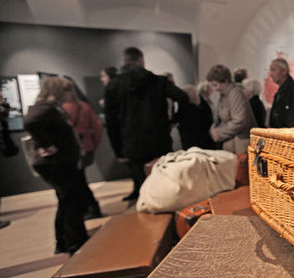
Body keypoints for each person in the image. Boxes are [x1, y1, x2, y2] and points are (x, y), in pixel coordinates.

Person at [105, 47, 190, 201]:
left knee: (144, 187)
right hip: (159, 139)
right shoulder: (158, 81)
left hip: (132, 142)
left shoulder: (114, 86)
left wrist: (118, 150)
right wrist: (174, 120)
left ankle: (151, 218)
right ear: (141, 60)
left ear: (125, 61)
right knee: (166, 182)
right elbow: (183, 97)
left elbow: (111, 121)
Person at [23, 77, 90, 254]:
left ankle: (64, 241)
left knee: (66, 201)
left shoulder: (49, 107)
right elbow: (31, 122)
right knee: (70, 201)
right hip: (56, 163)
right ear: (58, 90)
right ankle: (75, 242)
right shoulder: (44, 107)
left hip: (60, 162)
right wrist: (46, 144)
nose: (70, 93)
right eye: (67, 89)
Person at [61, 80, 104, 219]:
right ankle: (89, 207)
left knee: (78, 181)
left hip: (72, 150)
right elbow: (97, 127)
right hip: (86, 147)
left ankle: (89, 207)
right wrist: (93, 144)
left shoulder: (62, 109)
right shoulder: (84, 106)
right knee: (79, 179)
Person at [206, 64, 256, 153]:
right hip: (232, 142)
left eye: (215, 85)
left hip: (240, 143)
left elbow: (239, 121)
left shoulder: (235, 94)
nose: (214, 89)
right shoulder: (225, 95)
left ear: (225, 81)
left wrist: (219, 134)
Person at [269, 58, 294, 128]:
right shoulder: (281, 91)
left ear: (284, 71)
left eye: (273, 70)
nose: (271, 74)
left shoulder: (293, 89)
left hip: (291, 136)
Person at [176, 84, 217, 150]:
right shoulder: (197, 112)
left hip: (188, 148)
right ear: (194, 96)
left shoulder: (180, 112)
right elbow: (209, 120)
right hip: (203, 147)